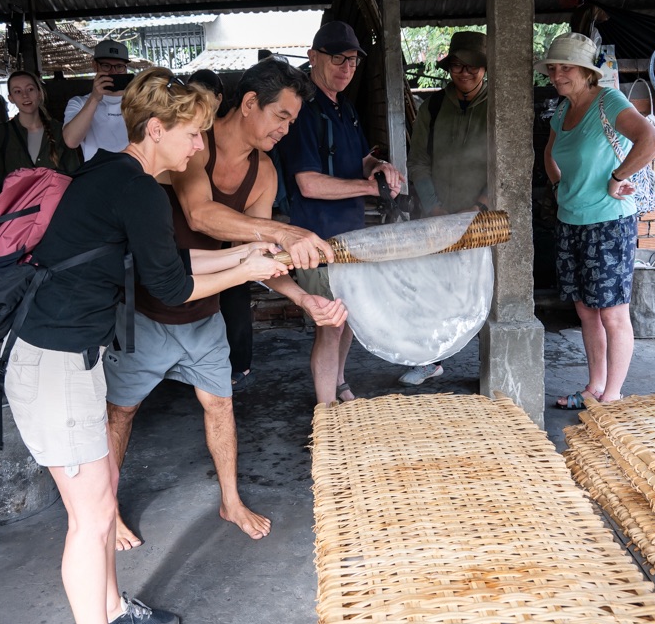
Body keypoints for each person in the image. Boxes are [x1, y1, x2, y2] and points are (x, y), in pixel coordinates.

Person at [2, 67, 288, 624]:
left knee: (102, 499)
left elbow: (165, 263)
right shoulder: (138, 189)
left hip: (68, 356)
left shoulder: (114, 174)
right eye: (193, 134)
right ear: (156, 130)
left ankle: (114, 609)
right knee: (91, 519)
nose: (200, 146)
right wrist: (247, 268)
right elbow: (173, 288)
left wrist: (244, 257)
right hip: (53, 361)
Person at [106, 57, 346, 551]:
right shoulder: (193, 141)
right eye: (281, 116)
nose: (286, 130)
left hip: (204, 309)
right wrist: (282, 231)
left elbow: (257, 253)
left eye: (292, 122)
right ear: (250, 102)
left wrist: (304, 297)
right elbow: (201, 214)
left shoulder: (264, 173)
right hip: (146, 310)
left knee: (220, 404)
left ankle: (230, 501)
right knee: (121, 413)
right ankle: (103, 510)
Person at [276, 21, 404, 405]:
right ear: (313, 57)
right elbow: (308, 184)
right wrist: (369, 188)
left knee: (349, 314)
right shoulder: (303, 111)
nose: (346, 68)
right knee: (330, 324)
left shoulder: (344, 106)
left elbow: (361, 160)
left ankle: (339, 383)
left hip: (350, 235)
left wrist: (378, 167)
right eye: (337, 59)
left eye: (352, 60)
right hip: (316, 238)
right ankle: (326, 410)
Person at [535, 32, 655, 408]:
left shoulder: (609, 101)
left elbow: (650, 140)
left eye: (566, 68)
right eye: (553, 68)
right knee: (586, 310)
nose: (557, 75)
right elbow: (549, 154)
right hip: (570, 221)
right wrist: (559, 186)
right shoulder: (562, 110)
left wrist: (618, 176)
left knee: (611, 313)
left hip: (609, 223)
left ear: (587, 72)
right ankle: (594, 387)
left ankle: (613, 396)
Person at [399, 30, 490, 387]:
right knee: (431, 290)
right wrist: (433, 206)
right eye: (457, 65)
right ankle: (429, 362)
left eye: (472, 66)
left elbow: (507, 163)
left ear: (485, 68)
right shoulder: (433, 107)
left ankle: (490, 365)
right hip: (436, 217)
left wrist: (479, 205)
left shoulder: (498, 106)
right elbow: (418, 161)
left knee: (481, 289)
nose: (463, 72)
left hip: (482, 218)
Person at [187, 68, 254, 390]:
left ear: (219, 99)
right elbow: (198, 214)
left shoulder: (261, 166)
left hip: (226, 245)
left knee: (235, 295)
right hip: (189, 251)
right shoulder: (192, 146)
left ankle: (238, 363)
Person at [0, 70, 80, 212]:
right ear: (11, 98)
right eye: (17, 91)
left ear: (39, 93)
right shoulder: (0, 134)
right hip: (16, 217)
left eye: (30, 89)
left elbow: (74, 176)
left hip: (57, 214)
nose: (25, 95)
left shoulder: (60, 131)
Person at [63, 39, 131, 161]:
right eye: (106, 66)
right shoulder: (79, 103)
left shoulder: (139, 101)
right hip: (97, 171)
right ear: (95, 65)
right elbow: (71, 141)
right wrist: (94, 98)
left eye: (119, 66)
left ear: (126, 68)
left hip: (134, 170)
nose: (113, 72)